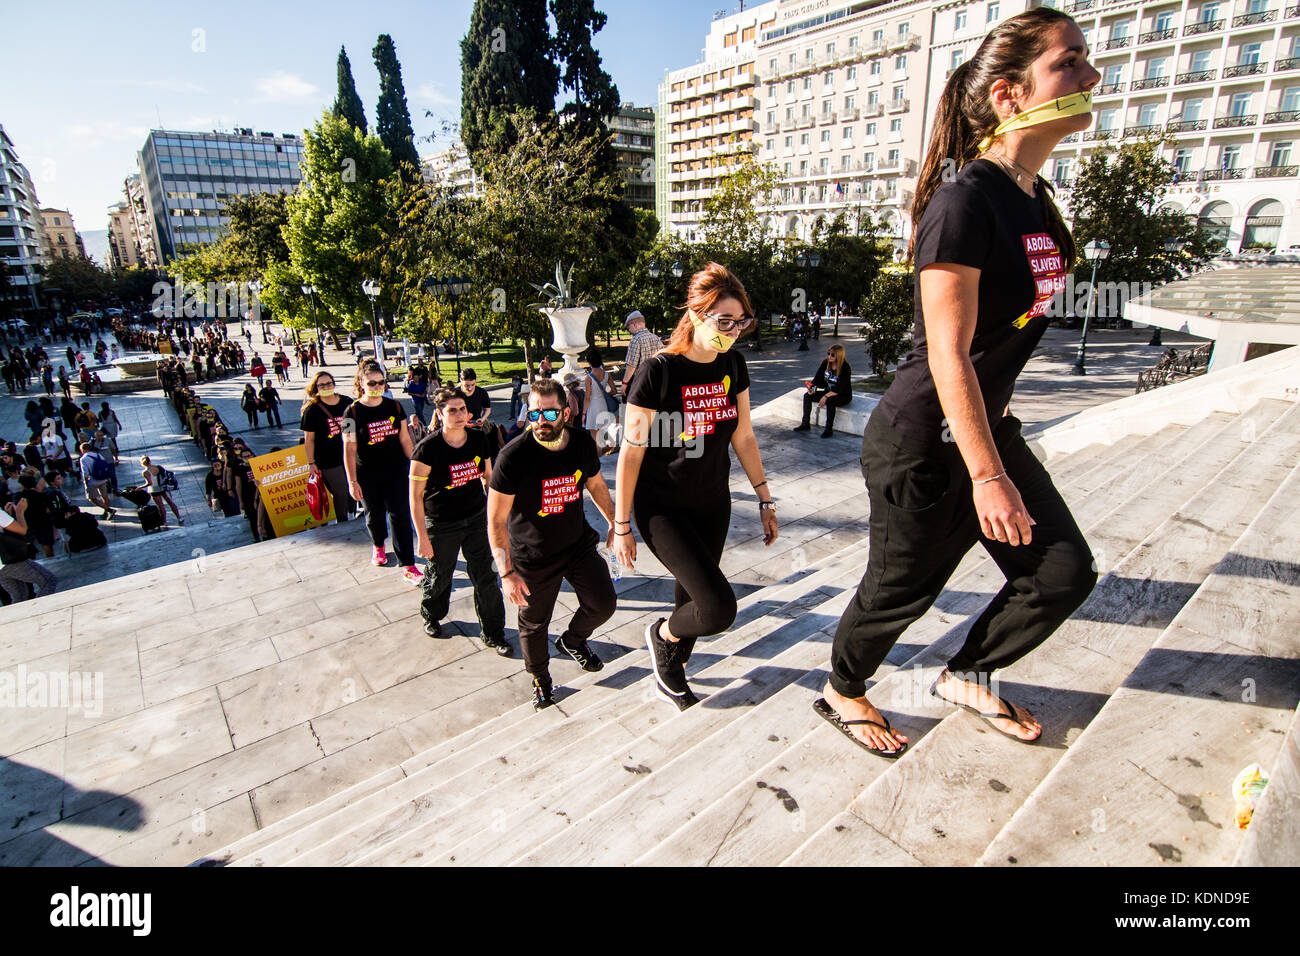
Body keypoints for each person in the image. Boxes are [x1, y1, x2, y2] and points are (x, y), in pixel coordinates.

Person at [815, 8, 1100, 757]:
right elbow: (948, 354)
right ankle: (843, 688)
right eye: (1069, 63)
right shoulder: (963, 200)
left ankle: (967, 672)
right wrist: (985, 475)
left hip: (984, 427)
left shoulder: (1033, 198)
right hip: (923, 442)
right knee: (902, 592)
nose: (1090, 77)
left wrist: (994, 451)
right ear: (1010, 94)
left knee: (1063, 571)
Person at [615, 262, 779, 711]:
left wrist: (765, 499)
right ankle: (662, 635)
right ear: (695, 312)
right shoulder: (658, 372)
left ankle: (671, 665)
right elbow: (630, 453)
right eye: (723, 321)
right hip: (662, 508)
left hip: (713, 502)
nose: (733, 330)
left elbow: (743, 436)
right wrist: (622, 524)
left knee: (692, 594)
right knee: (718, 607)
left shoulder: (733, 364)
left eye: (740, 321)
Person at [487, 378, 618, 710]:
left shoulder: (582, 445)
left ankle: (573, 640)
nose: (541, 421)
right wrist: (506, 572)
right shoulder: (513, 456)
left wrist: (616, 523)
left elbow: (596, 485)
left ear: (567, 411)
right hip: (532, 557)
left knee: (603, 603)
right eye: (534, 414)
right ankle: (541, 679)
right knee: (533, 623)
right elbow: (496, 519)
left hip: (576, 545)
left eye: (549, 412)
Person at [410, 387, 509, 652]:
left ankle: (494, 632)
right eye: (452, 410)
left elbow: (487, 478)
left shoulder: (478, 439)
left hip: (476, 518)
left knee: (486, 577)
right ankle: (431, 614)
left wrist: (495, 519)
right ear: (440, 414)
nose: (459, 414)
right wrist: (422, 537)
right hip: (441, 524)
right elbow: (415, 497)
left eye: (462, 409)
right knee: (439, 576)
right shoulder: (426, 449)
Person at [343, 358, 421, 584]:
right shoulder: (351, 412)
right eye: (372, 384)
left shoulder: (395, 407)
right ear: (361, 384)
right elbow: (349, 447)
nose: (377, 388)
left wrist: (416, 464)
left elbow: (405, 439)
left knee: (401, 516)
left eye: (381, 383)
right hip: (367, 474)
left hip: (396, 470)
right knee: (374, 515)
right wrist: (352, 480)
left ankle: (408, 564)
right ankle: (378, 544)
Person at [300, 369, 354, 524]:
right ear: (316, 388)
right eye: (321, 385)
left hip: (349, 454)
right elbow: (309, 439)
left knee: (354, 486)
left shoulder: (346, 402)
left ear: (334, 384)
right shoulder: (312, 410)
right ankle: (342, 520)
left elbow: (352, 430)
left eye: (328, 383)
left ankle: (353, 513)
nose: (325, 387)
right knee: (341, 491)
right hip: (328, 459)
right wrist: (311, 463)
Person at [0, 498, 58, 604]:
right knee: (48, 581)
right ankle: (37, 612)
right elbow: (22, 530)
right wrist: (19, 512)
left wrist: (8, 515)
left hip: (2, 566)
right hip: (9, 560)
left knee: (19, 596)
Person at [794, 344, 854, 437]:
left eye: (832, 355)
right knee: (807, 396)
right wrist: (812, 388)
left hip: (843, 395)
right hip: (829, 391)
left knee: (830, 401)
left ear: (839, 355)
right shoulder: (826, 363)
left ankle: (828, 429)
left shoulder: (845, 367)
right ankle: (805, 423)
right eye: (828, 354)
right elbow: (818, 379)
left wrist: (825, 396)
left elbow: (840, 387)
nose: (829, 356)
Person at [621, 310, 663, 392]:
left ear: (634, 325)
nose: (629, 330)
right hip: (656, 381)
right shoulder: (655, 338)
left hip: (641, 383)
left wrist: (624, 383)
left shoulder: (635, 340)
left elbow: (631, 366)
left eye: (629, 327)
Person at [141, 455, 184, 527]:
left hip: (154, 490)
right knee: (171, 503)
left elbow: (150, 483)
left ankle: (164, 522)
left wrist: (140, 487)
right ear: (149, 460)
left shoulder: (145, 472)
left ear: (143, 463)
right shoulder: (158, 467)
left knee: (161, 506)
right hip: (164, 488)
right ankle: (179, 518)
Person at [78, 442, 116, 518]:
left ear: (83, 450)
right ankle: (106, 512)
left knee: (92, 498)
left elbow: (85, 473)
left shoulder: (83, 459)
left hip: (93, 481)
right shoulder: (98, 455)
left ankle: (109, 510)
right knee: (104, 496)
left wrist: (85, 483)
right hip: (103, 478)